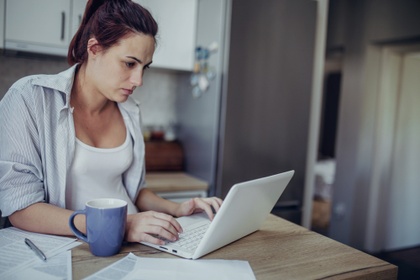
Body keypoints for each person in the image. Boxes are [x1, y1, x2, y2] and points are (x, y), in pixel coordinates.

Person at [0, 0, 222, 245]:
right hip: (76, 248)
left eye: (144, 67)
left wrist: (178, 208)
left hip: (134, 243)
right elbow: (21, 208)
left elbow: (134, 191)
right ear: (94, 48)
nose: (138, 80)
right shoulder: (30, 98)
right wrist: (120, 226)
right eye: (129, 63)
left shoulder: (129, 110)